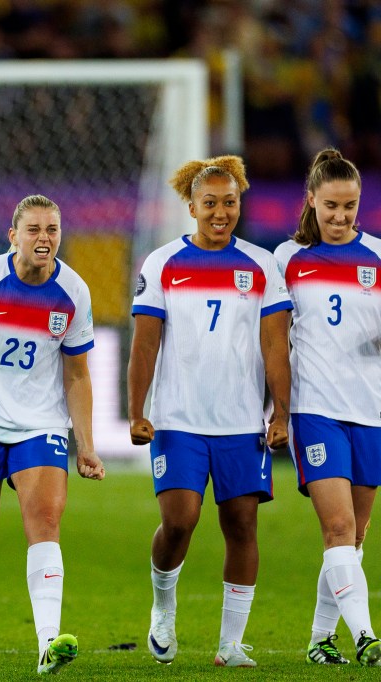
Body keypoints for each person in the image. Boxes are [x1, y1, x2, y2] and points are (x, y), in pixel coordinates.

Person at [128, 155, 292, 668]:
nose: (221, 212)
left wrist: (281, 414)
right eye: (210, 204)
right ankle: (162, 606)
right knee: (180, 520)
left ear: (239, 203)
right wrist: (136, 410)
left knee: (242, 525)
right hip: (178, 420)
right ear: (192, 206)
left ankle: (230, 643)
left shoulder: (261, 266)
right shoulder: (162, 264)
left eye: (230, 202)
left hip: (241, 422)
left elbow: (275, 348)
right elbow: (144, 346)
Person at [0, 194, 104, 675]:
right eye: (33, 229)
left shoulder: (73, 291)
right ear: (13, 236)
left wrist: (85, 444)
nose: (44, 238)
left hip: (41, 425)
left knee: (45, 522)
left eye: (52, 229)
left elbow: (77, 375)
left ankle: (48, 644)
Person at [274, 148, 381, 666]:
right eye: (332, 206)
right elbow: (269, 343)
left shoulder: (378, 258)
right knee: (337, 528)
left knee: (354, 537)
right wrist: (272, 411)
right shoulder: (285, 259)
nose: (341, 217)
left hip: (371, 413)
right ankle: (367, 637)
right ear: (311, 200)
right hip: (315, 410)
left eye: (350, 207)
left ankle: (320, 639)